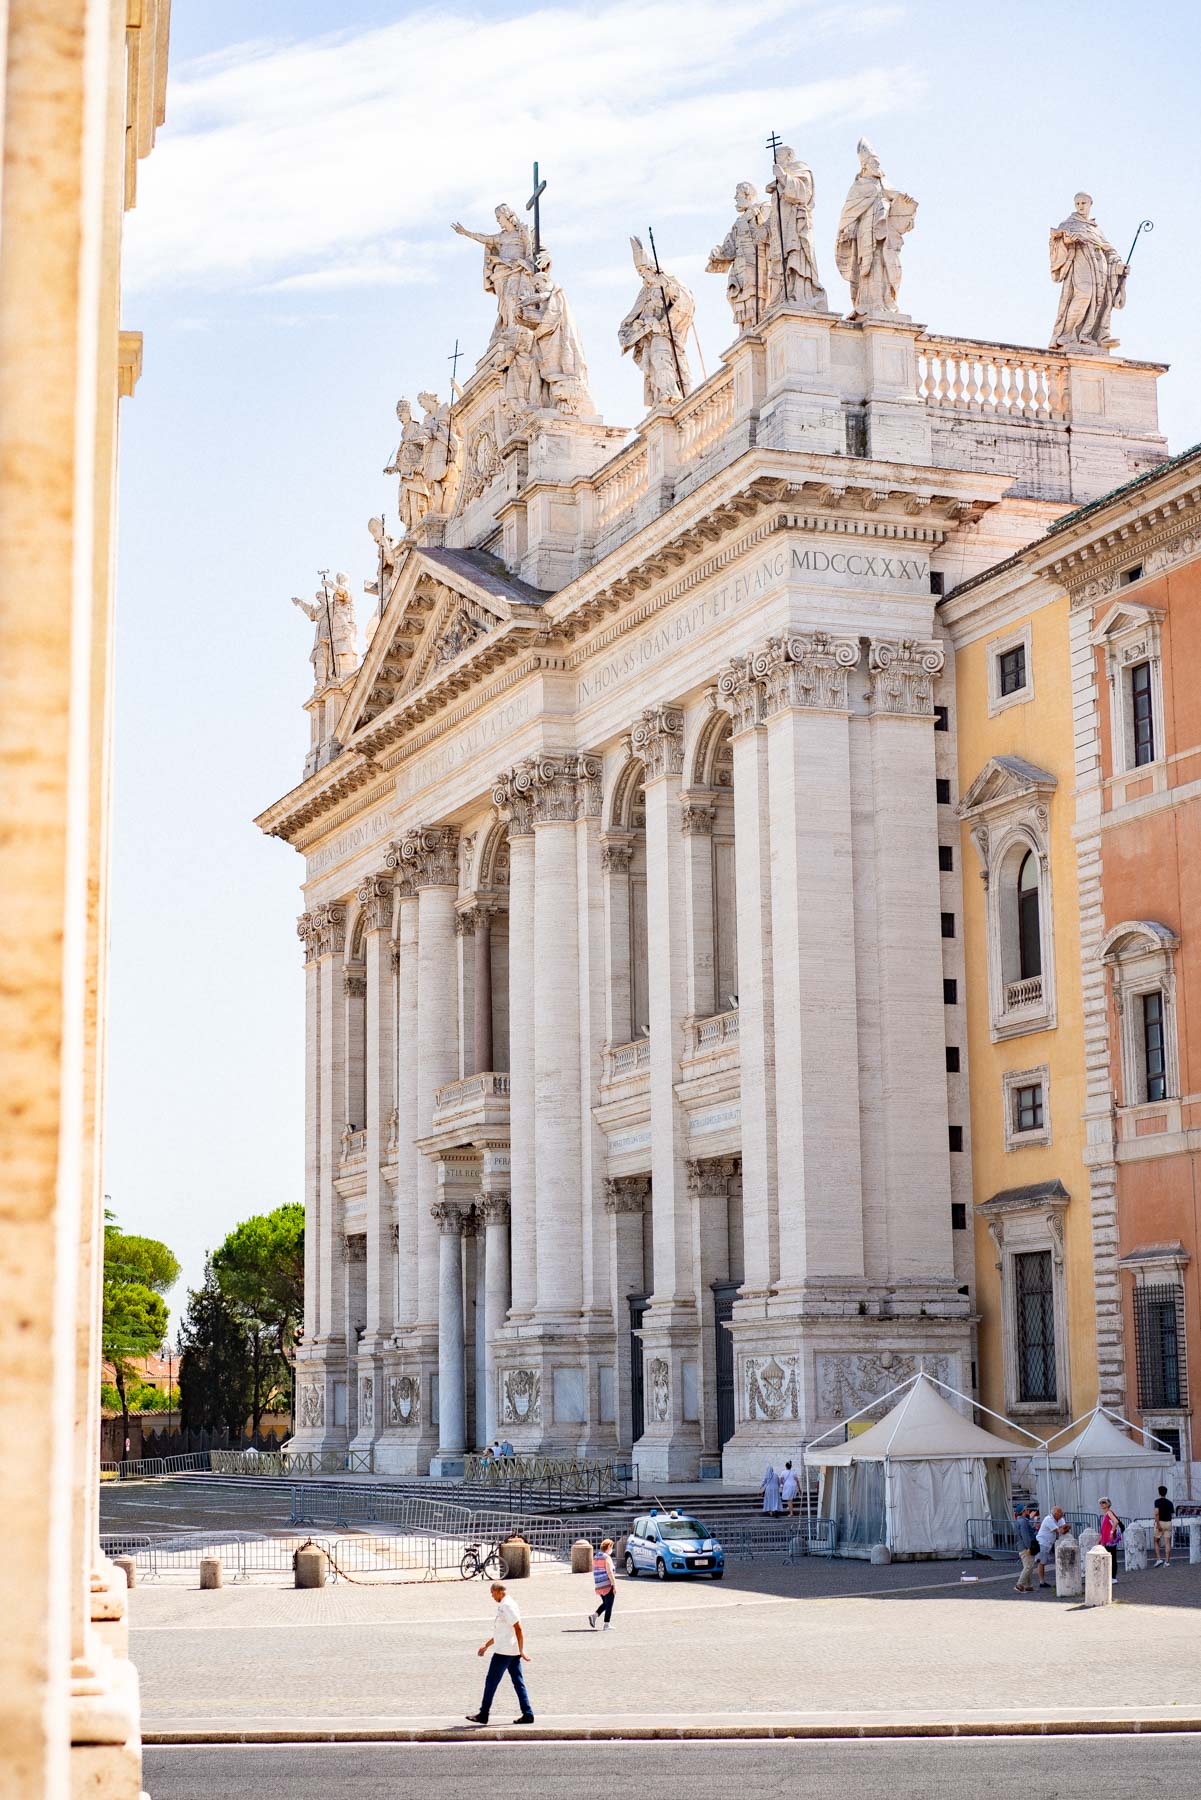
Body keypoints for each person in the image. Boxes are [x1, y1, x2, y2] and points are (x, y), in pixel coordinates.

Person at [467, 1582, 534, 1725]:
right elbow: (503, 1632)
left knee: (491, 1682)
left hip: (504, 1652)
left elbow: (518, 1628)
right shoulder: (507, 1604)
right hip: (511, 1650)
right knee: (518, 1683)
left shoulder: (507, 1606)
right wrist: (486, 1645)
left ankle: (483, 1714)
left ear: (498, 1591)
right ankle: (528, 1714)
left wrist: (522, 1650)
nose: (492, 1597)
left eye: (492, 1594)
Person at [1035, 1505, 1068, 1588]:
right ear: (1055, 1513)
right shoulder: (1048, 1519)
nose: (1062, 1514)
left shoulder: (1059, 1519)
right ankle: (1041, 1582)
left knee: (1044, 1561)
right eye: (1061, 1513)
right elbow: (1059, 1530)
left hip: (1049, 1543)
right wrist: (1064, 1528)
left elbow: (1064, 1529)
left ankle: (1043, 1581)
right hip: (1042, 1543)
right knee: (1041, 1562)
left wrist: (1064, 1528)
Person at [588, 1538, 617, 1632]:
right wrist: (614, 1584)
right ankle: (606, 1624)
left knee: (606, 1603)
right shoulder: (606, 1557)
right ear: (608, 1547)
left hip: (599, 1584)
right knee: (609, 1605)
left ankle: (594, 1616)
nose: (612, 1549)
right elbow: (609, 1572)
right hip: (607, 1584)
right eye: (611, 1547)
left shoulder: (597, 1556)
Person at [1014, 1504, 1040, 1593]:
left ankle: (1028, 1586)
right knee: (1028, 1566)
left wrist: (1034, 1529)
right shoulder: (1023, 1522)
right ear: (1023, 1511)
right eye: (1027, 1510)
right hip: (1025, 1547)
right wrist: (1029, 1547)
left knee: (1028, 1566)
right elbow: (1025, 1536)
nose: (1028, 1511)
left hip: (1021, 1546)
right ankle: (1019, 1584)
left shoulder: (1021, 1521)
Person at [1099, 1497, 1123, 1585]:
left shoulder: (1109, 1512)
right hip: (1106, 1539)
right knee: (1109, 1558)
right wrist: (1100, 1540)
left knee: (1111, 1558)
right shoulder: (1106, 1514)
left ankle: (1113, 1577)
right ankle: (1111, 1577)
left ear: (1108, 1504)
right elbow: (1104, 1529)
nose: (1102, 1504)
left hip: (1110, 1540)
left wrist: (1111, 1532)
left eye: (1104, 1502)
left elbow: (1115, 1521)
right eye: (1101, 1503)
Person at [1153, 1485, 1175, 1567]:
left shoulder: (1157, 1502)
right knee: (1167, 1542)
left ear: (1159, 1493)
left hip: (1160, 1522)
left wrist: (1158, 1524)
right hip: (1168, 1522)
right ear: (1166, 1493)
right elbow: (1172, 1514)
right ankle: (1167, 1561)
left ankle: (1159, 1559)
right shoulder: (1170, 1503)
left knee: (1156, 1541)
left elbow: (1156, 1513)